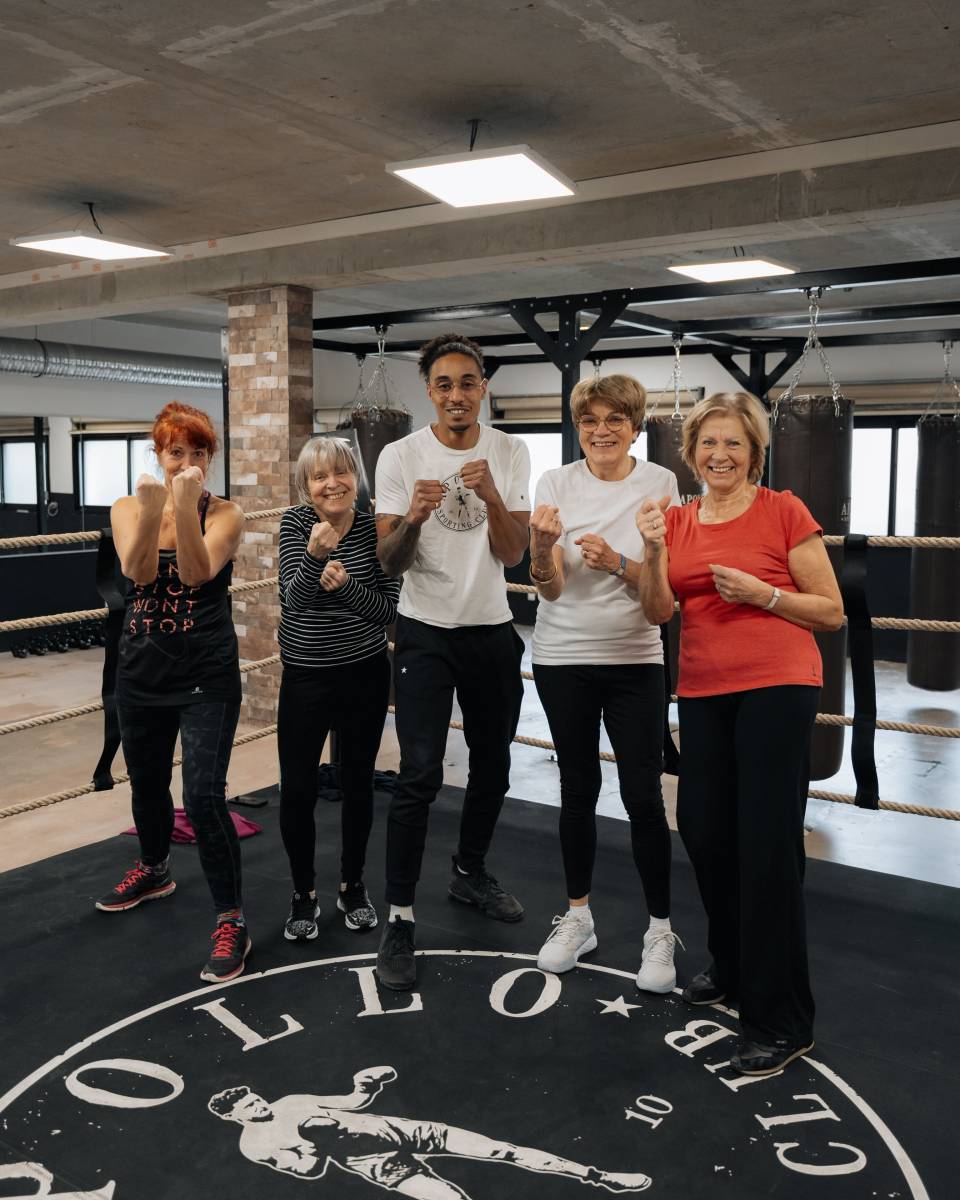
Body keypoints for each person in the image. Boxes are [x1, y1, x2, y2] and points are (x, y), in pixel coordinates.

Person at [635, 390, 843, 1076]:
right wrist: (652, 550)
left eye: (734, 444)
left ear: (755, 452)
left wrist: (766, 595)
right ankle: (730, 964)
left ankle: (781, 1020)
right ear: (690, 453)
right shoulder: (678, 519)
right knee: (702, 828)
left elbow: (831, 612)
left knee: (765, 848)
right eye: (708, 443)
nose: (720, 454)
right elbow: (659, 609)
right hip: (701, 690)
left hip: (778, 686)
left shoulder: (784, 511)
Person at [373, 333, 531, 991]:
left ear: (483, 386)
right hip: (425, 632)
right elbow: (387, 562)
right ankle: (401, 918)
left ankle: (470, 872)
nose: (457, 394)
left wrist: (493, 494)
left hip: (491, 631)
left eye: (468, 382)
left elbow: (515, 552)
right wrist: (410, 517)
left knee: (493, 767)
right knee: (419, 772)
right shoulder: (400, 455)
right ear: (428, 390)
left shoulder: (511, 450)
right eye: (444, 384)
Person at [529, 375, 682, 992]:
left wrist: (620, 562)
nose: (601, 430)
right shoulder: (555, 484)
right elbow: (549, 585)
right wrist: (541, 548)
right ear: (578, 427)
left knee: (643, 795)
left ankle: (659, 929)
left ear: (635, 426)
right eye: (590, 420)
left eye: (615, 419)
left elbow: (659, 601)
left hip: (635, 657)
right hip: (561, 654)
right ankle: (577, 917)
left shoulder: (660, 484)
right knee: (576, 787)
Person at [97, 400, 250, 983]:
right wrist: (158, 506)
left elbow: (193, 573)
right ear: (158, 456)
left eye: (197, 453)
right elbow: (136, 573)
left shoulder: (227, 514)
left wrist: (184, 507)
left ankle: (231, 919)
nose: (186, 461)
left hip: (206, 674)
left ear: (211, 458)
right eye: (175, 452)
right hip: (140, 672)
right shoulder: (126, 507)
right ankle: (155, 867)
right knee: (149, 784)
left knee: (205, 796)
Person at [277, 436, 400, 941]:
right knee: (298, 789)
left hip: (364, 672)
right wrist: (313, 559)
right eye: (319, 476)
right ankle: (303, 893)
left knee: (357, 783)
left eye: (341, 472)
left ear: (356, 477)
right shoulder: (295, 523)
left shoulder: (376, 528)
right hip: (305, 675)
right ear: (307, 487)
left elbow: (388, 612)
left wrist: (346, 586)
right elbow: (292, 600)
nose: (332, 483)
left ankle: (353, 885)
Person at [209, 1066, 651, 1195]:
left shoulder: (290, 1101)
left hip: (397, 1130)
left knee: (503, 1150)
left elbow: (353, 1103)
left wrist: (364, 1084)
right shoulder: (256, 1144)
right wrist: (313, 1143)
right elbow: (306, 1172)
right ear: (237, 1118)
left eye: (255, 1097)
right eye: (249, 1106)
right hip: (373, 1162)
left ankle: (599, 1177)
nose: (259, 1104)